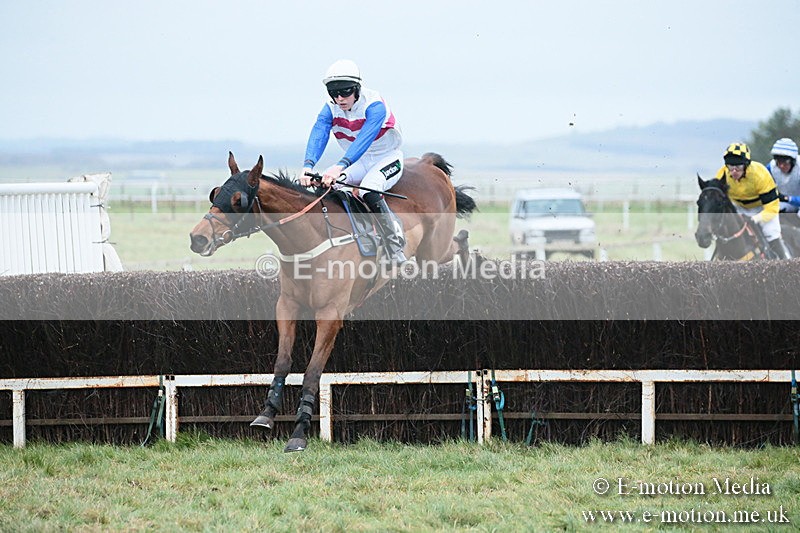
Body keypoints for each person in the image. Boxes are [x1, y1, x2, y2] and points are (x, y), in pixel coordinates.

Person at [299, 59, 407, 265]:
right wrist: (308, 167)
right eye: (334, 94)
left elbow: (364, 140)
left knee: (368, 188)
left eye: (345, 93)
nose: (339, 99)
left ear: (357, 88)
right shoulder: (330, 108)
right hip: (358, 160)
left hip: (387, 157)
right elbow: (319, 133)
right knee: (331, 186)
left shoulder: (374, 105)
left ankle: (394, 245)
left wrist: (339, 166)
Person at [715, 142, 792, 259]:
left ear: (746, 165)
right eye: (730, 166)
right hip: (738, 206)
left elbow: (772, 208)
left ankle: (785, 263)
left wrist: (756, 218)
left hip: (763, 208)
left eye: (738, 167)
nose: (734, 171)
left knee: (772, 233)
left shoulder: (760, 175)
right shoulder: (722, 174)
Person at [766, 138, 800, 214]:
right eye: (778, 161)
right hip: (786, 204)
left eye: (786, 162)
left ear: (793, 160)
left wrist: (788, 198)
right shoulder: (771, 167)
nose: (781, 166)